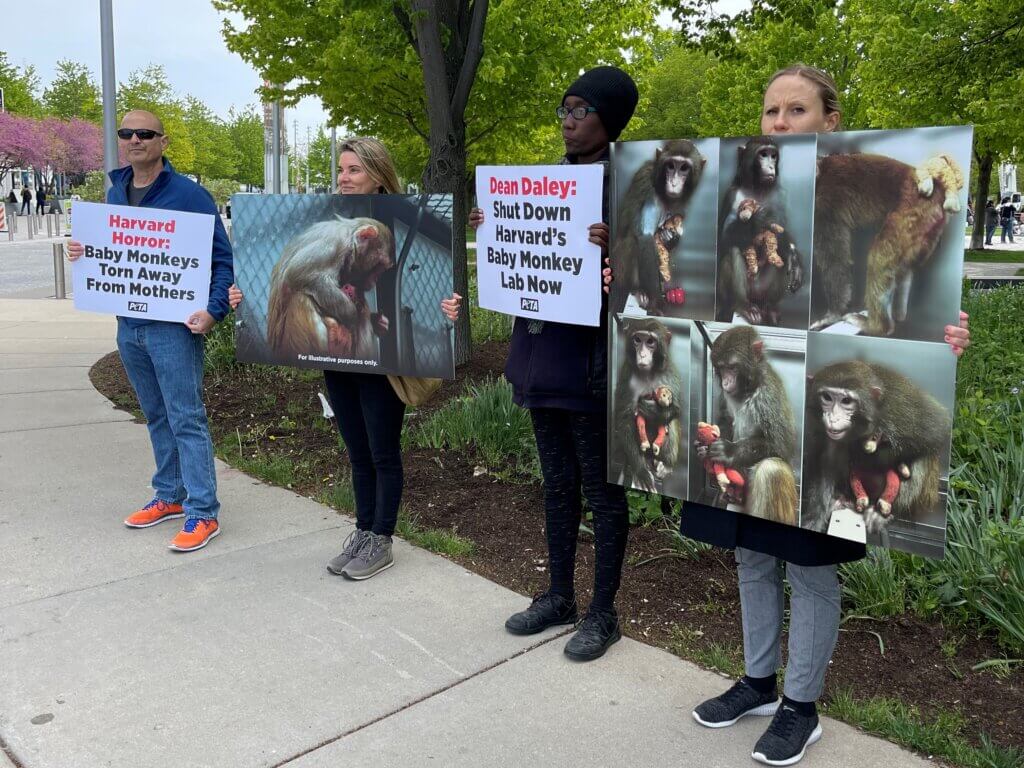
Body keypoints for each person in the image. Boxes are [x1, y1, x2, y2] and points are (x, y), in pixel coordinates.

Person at [601, 65, 971, 766]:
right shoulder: (750, 186)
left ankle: (802, 705)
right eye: (771, 111)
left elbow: (908, 296)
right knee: (749, 555)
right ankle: (757, 681)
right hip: (776, 351)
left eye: (795, 109)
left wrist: (948, 337)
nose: (778, 122)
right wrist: (630, 286)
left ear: (830, 118)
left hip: (828, 390)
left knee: (808, 568)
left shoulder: (861, 179)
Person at [459, 66, 639, 662]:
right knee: (558, 485)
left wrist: (618, 251)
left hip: (591, 368)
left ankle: (603, 612)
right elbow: (521, 257)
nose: (567, 119)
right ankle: (559, 595)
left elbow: (655, 284)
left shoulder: (629, 191)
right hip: (540, 358)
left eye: (581, 109)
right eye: (563, 108)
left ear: (609, 119)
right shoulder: (543, 184)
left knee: (603, 491)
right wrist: (493, 231)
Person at [229, 136, 462, 580]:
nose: (343, 178)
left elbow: (428, 298)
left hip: (377, 370)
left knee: (382, 451)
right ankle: (362, 530)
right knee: (356, 450)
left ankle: (382, 538)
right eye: (341, 170)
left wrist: (448, 310)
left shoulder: (371, 229)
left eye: (353, 170)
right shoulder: (339, 237)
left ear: (377, 175)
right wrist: (240, 295)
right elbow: (312, 285)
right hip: (336, 358)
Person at [66, 110, 233, 552]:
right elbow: (110, 251)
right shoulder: (115, 193)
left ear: (163, 141)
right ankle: (170, 495)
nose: (135, 139)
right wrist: (84, 251)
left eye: (145, 133)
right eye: (127, 133)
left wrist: (214, 311)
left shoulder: (190, 196)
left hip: (173, 329)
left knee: (186, 417)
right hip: (130, 327)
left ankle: (203, 511)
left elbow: (222, 260)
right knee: (156, 415)